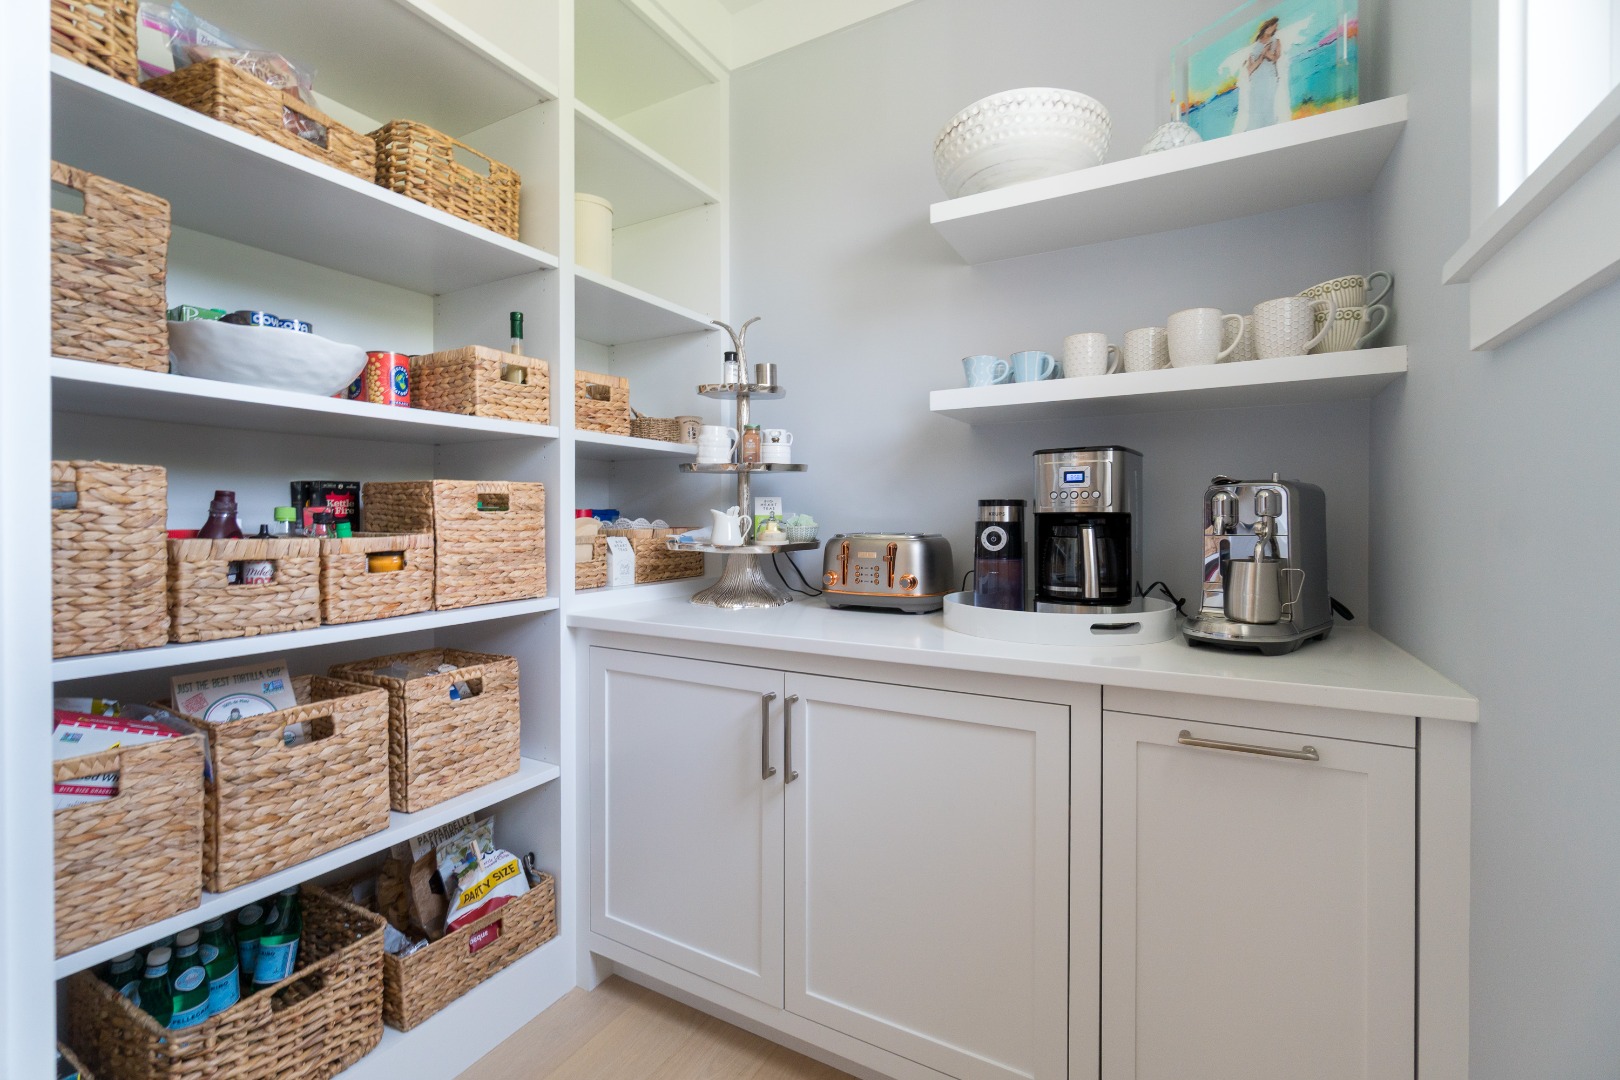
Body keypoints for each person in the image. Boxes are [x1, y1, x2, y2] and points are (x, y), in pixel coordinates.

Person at [1243, 17, 1284, 129]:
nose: (1273, 28)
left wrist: (1266, 53)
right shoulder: (1255, 45)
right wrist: (1262, 55)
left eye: (1275, 26)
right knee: (1256, 106)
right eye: (1271, 26)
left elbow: (1276, 58)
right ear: (1266, 27)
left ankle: (1269, 129)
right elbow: (1249, 69)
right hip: (1256, 79)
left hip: (1270, 77)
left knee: (1268, 104)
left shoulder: (1276, 41)